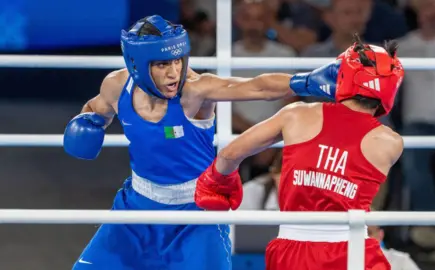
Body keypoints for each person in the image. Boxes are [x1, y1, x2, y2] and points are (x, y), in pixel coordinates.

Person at [63, 15, 340, 270]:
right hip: (136, 209)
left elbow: (256, 86)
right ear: (136, 64)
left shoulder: (195, 91)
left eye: (177, 61)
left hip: (195, 215)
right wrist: (90, 121)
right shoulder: (116, 85)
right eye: (162, 64)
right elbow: (97, 107)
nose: (174, 73)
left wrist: (305, 82)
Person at [195, 34, 405, 270]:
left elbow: (229, 154)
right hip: (354, 250)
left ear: (341, 74)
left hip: (292, 250)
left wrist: (217, 181)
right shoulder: (390, 143)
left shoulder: (296, 114)